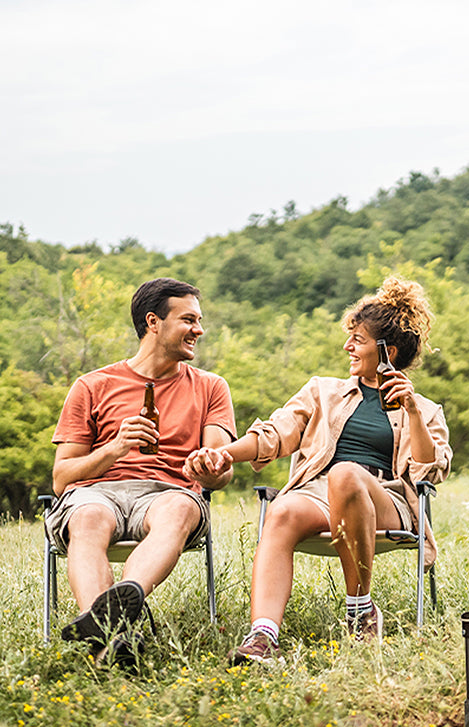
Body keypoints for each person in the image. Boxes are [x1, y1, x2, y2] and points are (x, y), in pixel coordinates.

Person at [185, 275, 452, 664]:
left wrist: (410, 410)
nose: (348, 346)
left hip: (387, 498)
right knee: (284, 508)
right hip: (321, 493)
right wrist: (227, 453)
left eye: (357, 340)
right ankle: (263, 636)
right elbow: (275, 433)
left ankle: (361, 611)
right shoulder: (322, 391)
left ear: (388, 351)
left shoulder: (425, 410)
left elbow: (428, 473)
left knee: (346, 474)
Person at [46, 278, 237, 661]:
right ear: (153, 322)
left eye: (198, 321)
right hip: (97, 493)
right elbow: (62, 477)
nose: (198, 330)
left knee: (181, 508)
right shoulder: (92, 386)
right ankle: (107, 643)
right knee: (88, 518)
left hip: (169, 492)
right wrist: (115, 448)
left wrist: (209, 467)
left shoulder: (211, 387)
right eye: (188, 320)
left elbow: (221, 469)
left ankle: (121, 606)